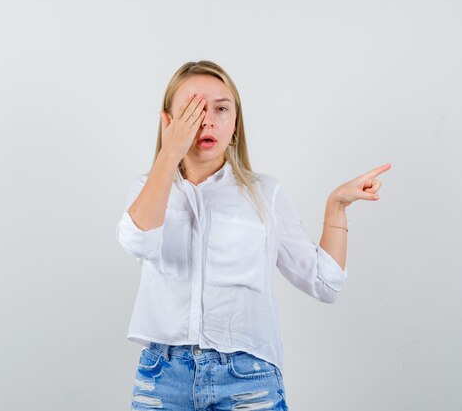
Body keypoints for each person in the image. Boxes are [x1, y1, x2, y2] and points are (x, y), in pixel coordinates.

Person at [115, 60, 390, 411]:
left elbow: (324, 283)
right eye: (192, 109)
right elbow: (138, 241)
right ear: (168, 121)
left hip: (247, 380)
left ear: (235, 123)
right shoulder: (146, 189)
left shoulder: (265, 194)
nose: (207, 120)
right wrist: (170, 155)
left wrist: (336, 206)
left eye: (221, 108)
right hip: (162, 379)